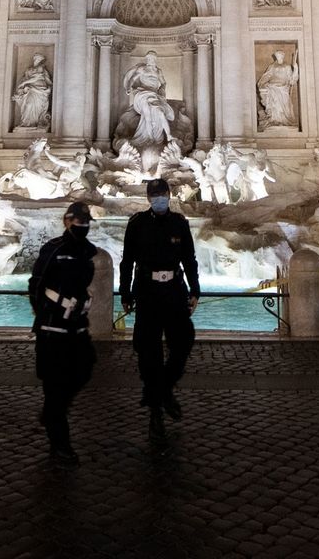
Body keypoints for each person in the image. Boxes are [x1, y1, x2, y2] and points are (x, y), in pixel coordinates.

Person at [119, 178, 200, 443]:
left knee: (184, 341)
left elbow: (189, 259)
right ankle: (156, 410)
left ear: (169, 194)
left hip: (174, 290)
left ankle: (163, 389)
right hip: (147, 292)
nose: (159, 199)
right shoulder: (137, 224)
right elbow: (127, 261)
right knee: (148, 350)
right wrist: (125, 292)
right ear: (148, 198)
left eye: (162, 194)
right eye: (154, 195)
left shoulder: (179, 223)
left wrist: (195, 289)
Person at [28, 201, 99, 465]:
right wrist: (44, 313)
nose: (83, 225)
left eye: (86, 222)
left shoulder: (88, 251)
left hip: (77, 327)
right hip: (52, 328)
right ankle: (60, 443)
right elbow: (36, 284)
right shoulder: (54, 249)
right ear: (67, 221)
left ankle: (52, 412)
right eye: (79, 221)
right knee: (54, 384)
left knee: (85, 369)